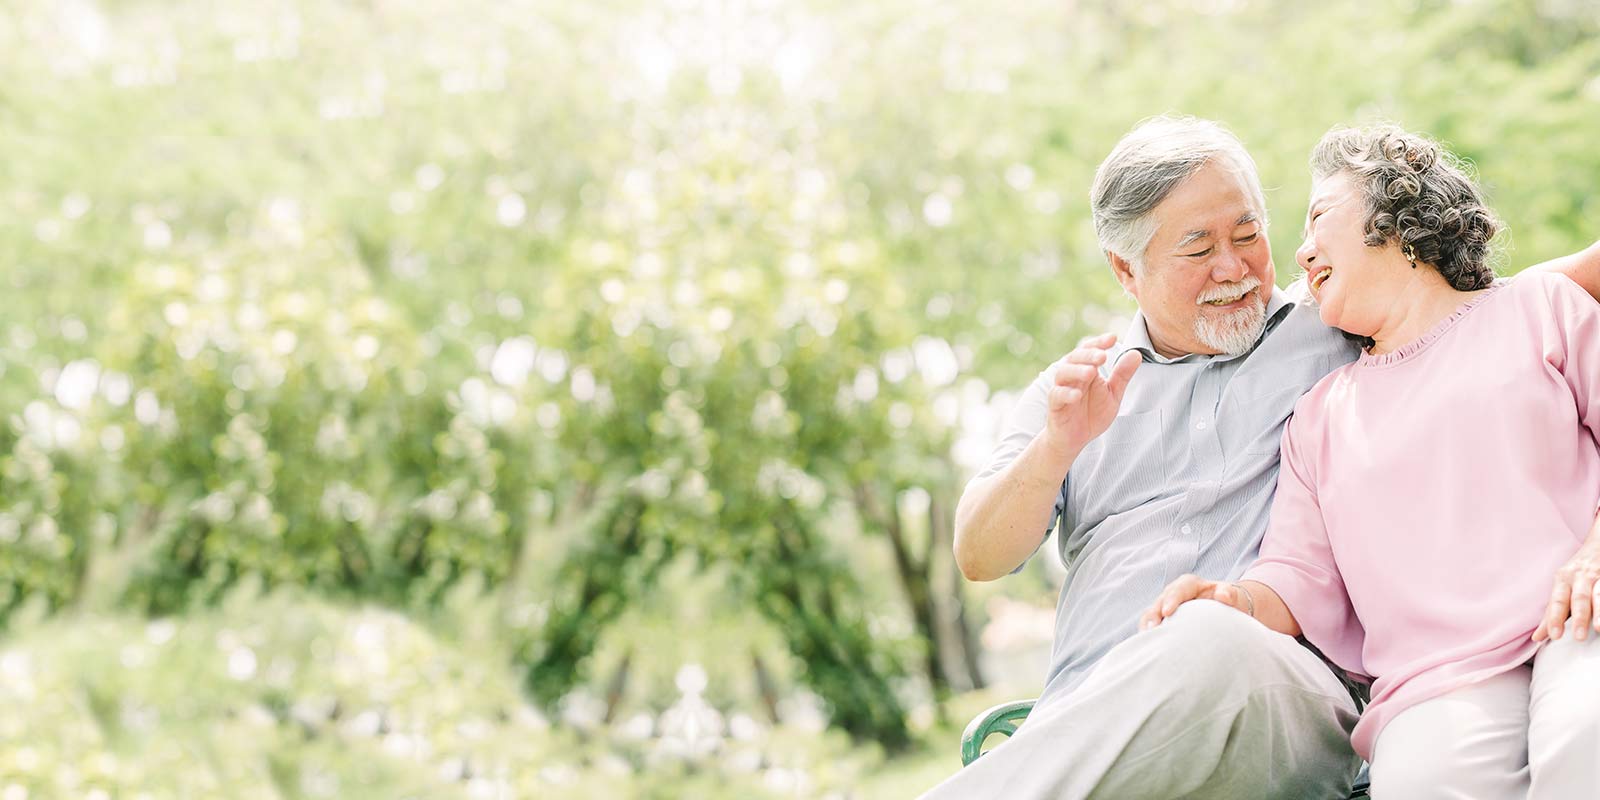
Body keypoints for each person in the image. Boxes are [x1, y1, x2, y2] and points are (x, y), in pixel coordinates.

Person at [920, 115, 1600, 800]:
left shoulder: (1330, 330)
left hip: (1267, 696)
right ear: (1126, 269)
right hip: (1090, 721)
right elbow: (980, 555)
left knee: (1209, 637)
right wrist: (1056, 447)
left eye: (1248, 235)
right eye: (1198, 248)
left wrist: (1498, 294)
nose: (1234, 267)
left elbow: (1453, 314)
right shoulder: (1074, 391)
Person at [1142, 124, 1600, 799]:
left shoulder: (1540, 309)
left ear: (1396, 216)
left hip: (1581, 614)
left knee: (1587, 735)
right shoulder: (1317, 417)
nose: (1300, 251)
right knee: (1422, 784)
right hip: (1438, 681)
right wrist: (1230, 600)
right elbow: (1298, 575)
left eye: (1319, 217)